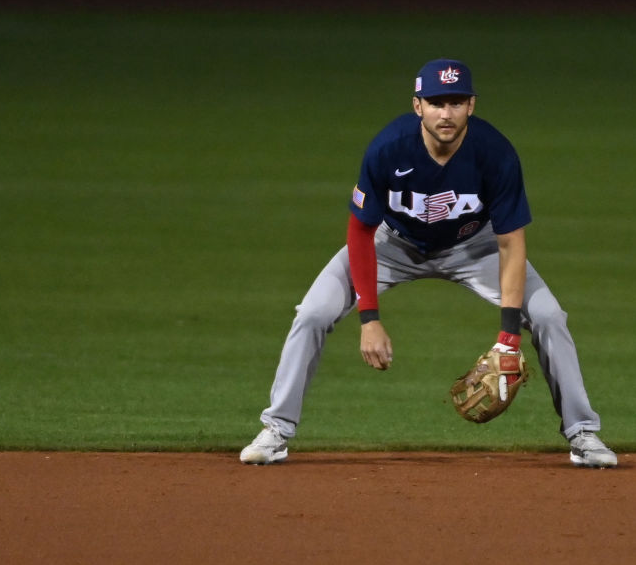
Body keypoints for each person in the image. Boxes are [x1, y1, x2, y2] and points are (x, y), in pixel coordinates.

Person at [240, 58, 617, 468]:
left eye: (456, 102)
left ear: (471, 105)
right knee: (312, 313)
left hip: (476, 246)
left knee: (549, 316)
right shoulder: (388, 148)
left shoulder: (496, 154)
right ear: (417, 105)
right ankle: (276, 428)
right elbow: (361, 231)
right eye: (436, 102)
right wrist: (369, 318)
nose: (446, 113)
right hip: (391, 245)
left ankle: (583, 433)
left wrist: (508, 335)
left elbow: (511, 242)